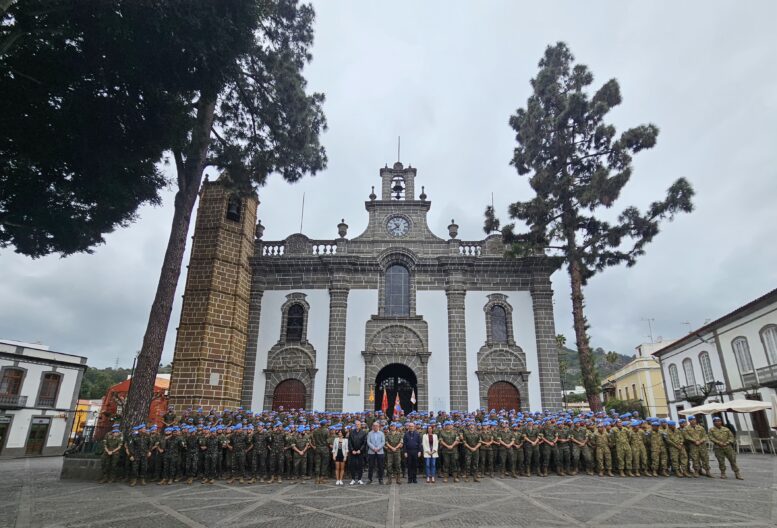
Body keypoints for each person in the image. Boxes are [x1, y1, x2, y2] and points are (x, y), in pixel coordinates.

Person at [349, 420, 367, 485]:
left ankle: (359, 479)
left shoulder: (363, 433)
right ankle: (353, 479)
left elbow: (364, 443)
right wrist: (352, 450)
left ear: (360, 425)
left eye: (358, 424)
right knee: (352, 466)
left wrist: (360, 450)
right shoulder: (351, 432)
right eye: (356, 424)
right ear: (354, 425)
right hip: (353, 452)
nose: (357, 425)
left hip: (360, 452)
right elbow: (350, 442)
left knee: (360, 466)